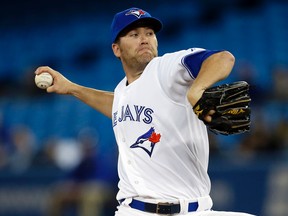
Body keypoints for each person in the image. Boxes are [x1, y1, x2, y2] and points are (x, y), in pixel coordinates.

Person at [35, 7, 255, 216]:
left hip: (192, 209)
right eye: (134, 34)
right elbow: (119, 107)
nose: (144, 38)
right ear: (116, 49)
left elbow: (223, 58)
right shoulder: (122, 89)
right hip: (132, 210)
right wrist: (72, 88)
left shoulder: (166, 69)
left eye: (149, 33)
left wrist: (197, 89)